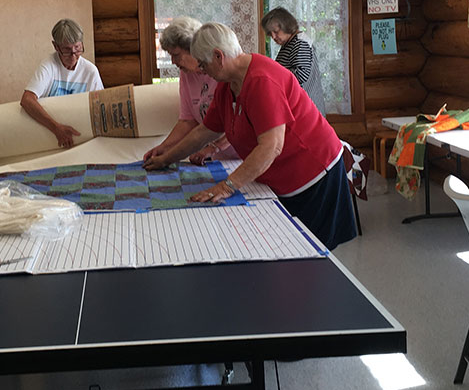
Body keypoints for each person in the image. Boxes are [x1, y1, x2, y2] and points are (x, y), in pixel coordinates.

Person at [142, 22, 356, 250]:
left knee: (310, 256)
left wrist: (226, 186)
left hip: (314, 175)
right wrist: (166, 158)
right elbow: (205, 131)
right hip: (281, 176)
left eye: (204, 65)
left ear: (218, 56)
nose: (202, 71)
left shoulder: (262, 80)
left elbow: (271, 146)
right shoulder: (227, 85)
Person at [143, 16, 236, 165]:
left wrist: (214, 148)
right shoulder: (186, 74)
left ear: (194, 50)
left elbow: (237, 122)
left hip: (240, 155)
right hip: (216, 158)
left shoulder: (222, 71)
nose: (173, 62)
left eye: (176, 55)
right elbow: (187, 121)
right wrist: (164, 148)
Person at [20, 19, 104, 148]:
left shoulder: (90, 71)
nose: (73, 56)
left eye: (78, 48)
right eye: (67, 50)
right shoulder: (48, 66)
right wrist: (56, 128)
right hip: (49, 137)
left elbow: (100, 106)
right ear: (56, 46)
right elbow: (27, 100)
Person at [260, 7, 325, 114]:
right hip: (302, 108)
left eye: (276, 32)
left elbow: (301, 75)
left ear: (286, 25)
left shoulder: (300, 43)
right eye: (270, 34)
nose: (273, 37)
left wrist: (272, 72)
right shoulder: (290, 43)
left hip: (307, 110)